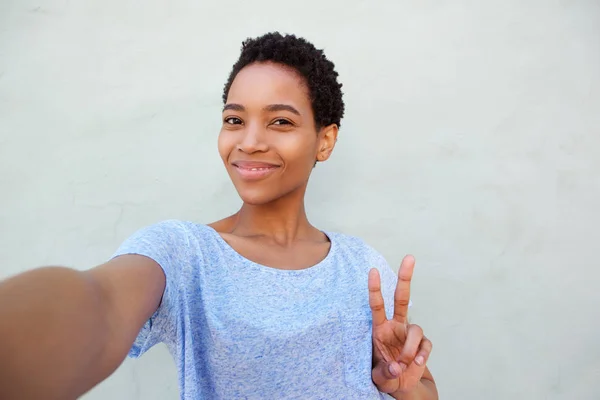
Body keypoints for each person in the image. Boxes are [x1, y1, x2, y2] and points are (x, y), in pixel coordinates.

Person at [0, 32, 438, 400]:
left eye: (280, 122)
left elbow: (421, 389)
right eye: (234, 119)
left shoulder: (364, 269)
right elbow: (100, 304)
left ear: (324, 141)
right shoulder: (185, 254)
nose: (249, 142)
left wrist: (402, 385)